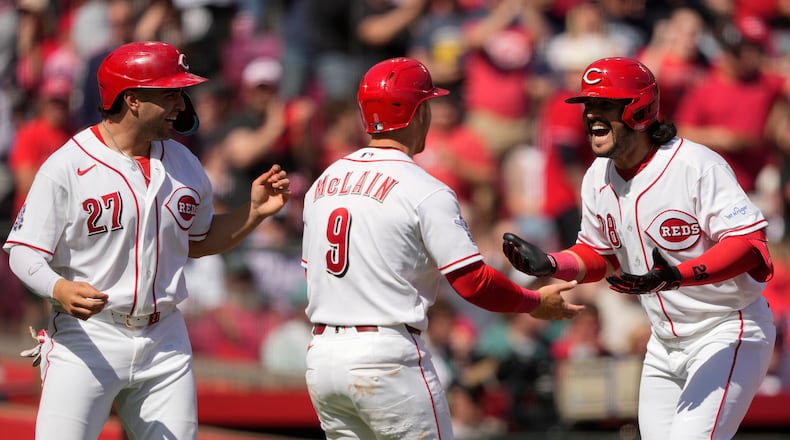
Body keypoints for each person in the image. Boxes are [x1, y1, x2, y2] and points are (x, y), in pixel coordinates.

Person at [3, 41, 291, 440]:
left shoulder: (185, 163)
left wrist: (254, 212)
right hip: (89, 338)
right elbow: (23, 252)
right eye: (170, 92)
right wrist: (59, 287)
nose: (181, 102)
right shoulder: (68, 164)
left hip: (164, 340)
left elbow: (199, 240)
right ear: (133, 100)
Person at [301, 57, 583, 439]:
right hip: (387, 357)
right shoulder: (424, 188)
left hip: (323, 357)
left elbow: (311, 271)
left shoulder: (323, 183)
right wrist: (535, 304)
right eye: (427, 104)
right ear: (416, 113)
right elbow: (473, 283)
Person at [501, 57, 776, 440]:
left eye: (606, 106)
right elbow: (600, 254)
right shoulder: (598, 175)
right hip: (663, 341)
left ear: (640, 109)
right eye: (589, 106)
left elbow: (750, 245)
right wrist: (551, 262)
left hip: (727, 328)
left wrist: (675, 276)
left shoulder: (694, 165)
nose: (593, 116)